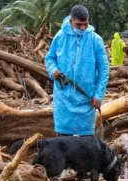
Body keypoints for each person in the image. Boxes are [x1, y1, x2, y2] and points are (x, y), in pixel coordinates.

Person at [45, 5, 109, 136]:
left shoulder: (95, 40)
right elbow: (50, 58)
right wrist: (53, 69)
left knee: (86, 143)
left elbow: (104, 69)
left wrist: (99, 94)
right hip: (64, 99)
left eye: (85, 24)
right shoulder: (60, 37)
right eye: (79, 24)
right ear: (71, 21)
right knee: (63, 143)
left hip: (86, 99)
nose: (82, 28)